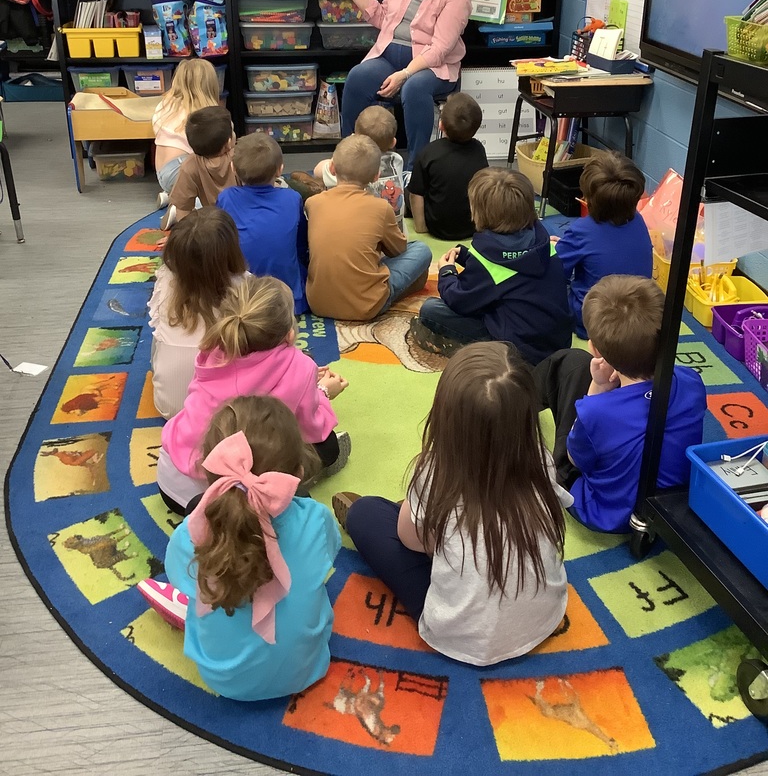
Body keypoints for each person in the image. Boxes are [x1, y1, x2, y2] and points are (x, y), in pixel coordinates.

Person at [332, 343, 571, 665]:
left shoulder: (434, 472)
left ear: (445, 417)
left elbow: (410, 541)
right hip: (547, 612)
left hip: (461, 635)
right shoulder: (540, 460)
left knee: (366, 514)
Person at [140, 396, 341, 700]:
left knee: (200, 562)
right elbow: (329, 554)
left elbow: (181, 578)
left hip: (223, 679)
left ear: (208, 473)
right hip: (308, 669)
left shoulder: (187, 537)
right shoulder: (317, 519)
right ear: (298, 474)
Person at [157, 275, 349, 513]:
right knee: (327, 446)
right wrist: (322, 392)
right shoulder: (300, 367)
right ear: (289, 334)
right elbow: (309, 428)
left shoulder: (212, 351)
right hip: (221, 500)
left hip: (170, 482)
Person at [534, 275, 706, 533]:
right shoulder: (693, 382)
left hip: (603, 512)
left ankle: (510, 405)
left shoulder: (596, 412)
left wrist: (599, 388)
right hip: (669, 503)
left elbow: (574, 460)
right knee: (577, 367)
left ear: (596, 349)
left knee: (569, 363)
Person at [336, 0, 472, 165]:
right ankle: (350, 158)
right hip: (389, 55)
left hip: (431, 66)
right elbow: (384, 17)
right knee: (357, 77)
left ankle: (416, 168)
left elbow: (440, 48)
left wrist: (405, 73)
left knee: (414, 88)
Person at [411, 168, 572, 364]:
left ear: (478, 213)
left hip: (518, 353)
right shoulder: (545, 242)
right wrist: (468, 257)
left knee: (431, 309)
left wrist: (447, 272)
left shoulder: (487, 263)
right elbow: (513, 271)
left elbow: (459, 299)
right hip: (557, 345)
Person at [305, 134, 432, 321]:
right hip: (366, 307)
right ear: (376, 177)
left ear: (332, 168)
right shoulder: (380, 208)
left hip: (317, 303)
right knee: (420, 250)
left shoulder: (312, 203)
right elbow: (398, 250)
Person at [149, 207, 248, 420]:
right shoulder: (246, 285)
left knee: (159, 336)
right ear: (232, 250)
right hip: (230, 410)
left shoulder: (165, 281)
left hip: (171, 407)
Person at [554, 151, 652, 338]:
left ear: (587, 199)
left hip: (595, 321)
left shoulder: (581, 230)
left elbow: (557, 273)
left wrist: (557, 249)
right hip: (638, 317)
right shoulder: (639, 220)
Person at [217, 132, 309, 315]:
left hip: (240, 300)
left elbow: (220, 242)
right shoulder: (292, 198)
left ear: (233, 168)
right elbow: (302, 245)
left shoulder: (226, 197)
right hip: (290, 302)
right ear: (280, 169)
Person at [408, 92, 488, 241]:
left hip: (437, 228)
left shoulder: (428, 152)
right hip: (472, 226)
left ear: (441, 125)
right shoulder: (479, 150)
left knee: (410, 191)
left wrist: (421, 227)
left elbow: (416, 194)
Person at [314, 105, 406, 230]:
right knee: (420, 248)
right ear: (393, 142)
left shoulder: (350, 166)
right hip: (396, 238)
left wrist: (334, 161)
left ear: (354, 136)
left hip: (364, 238)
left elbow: (317, 171)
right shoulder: (397, 161)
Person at [152, 59, 220, 199]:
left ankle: (175, 196)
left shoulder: (165, 105)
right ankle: (187, 205)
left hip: (161, 172)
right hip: (182, 170)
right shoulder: (201, 114)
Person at [160, 105, 237, 230]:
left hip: (214, 226)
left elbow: (183, 207)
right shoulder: (240, 156)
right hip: (246, 219)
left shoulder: (189, 165)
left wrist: (187, 236)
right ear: (228, 143)